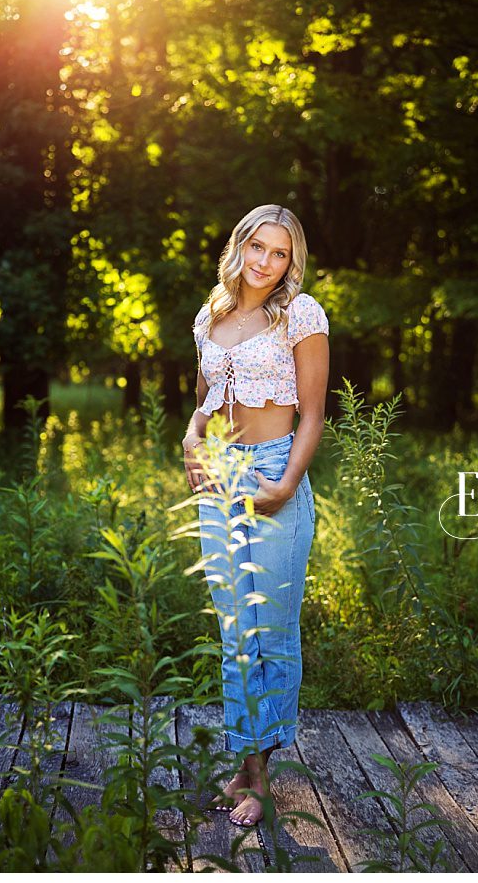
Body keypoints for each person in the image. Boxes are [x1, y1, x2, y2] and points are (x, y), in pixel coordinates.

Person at [182, 204, 330, 829]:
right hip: (219, 474)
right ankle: (249, 764)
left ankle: (259, 776)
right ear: (239, 246)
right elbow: (202, 402)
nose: (267, 263)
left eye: (281, 253)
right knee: (233, 633)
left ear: (292, 260)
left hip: (274, 472)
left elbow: (314, 415)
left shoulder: (301, 315)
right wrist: (191, 442)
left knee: (270, 632)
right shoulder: (209, 316)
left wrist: (286, 485)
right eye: (258, 248)